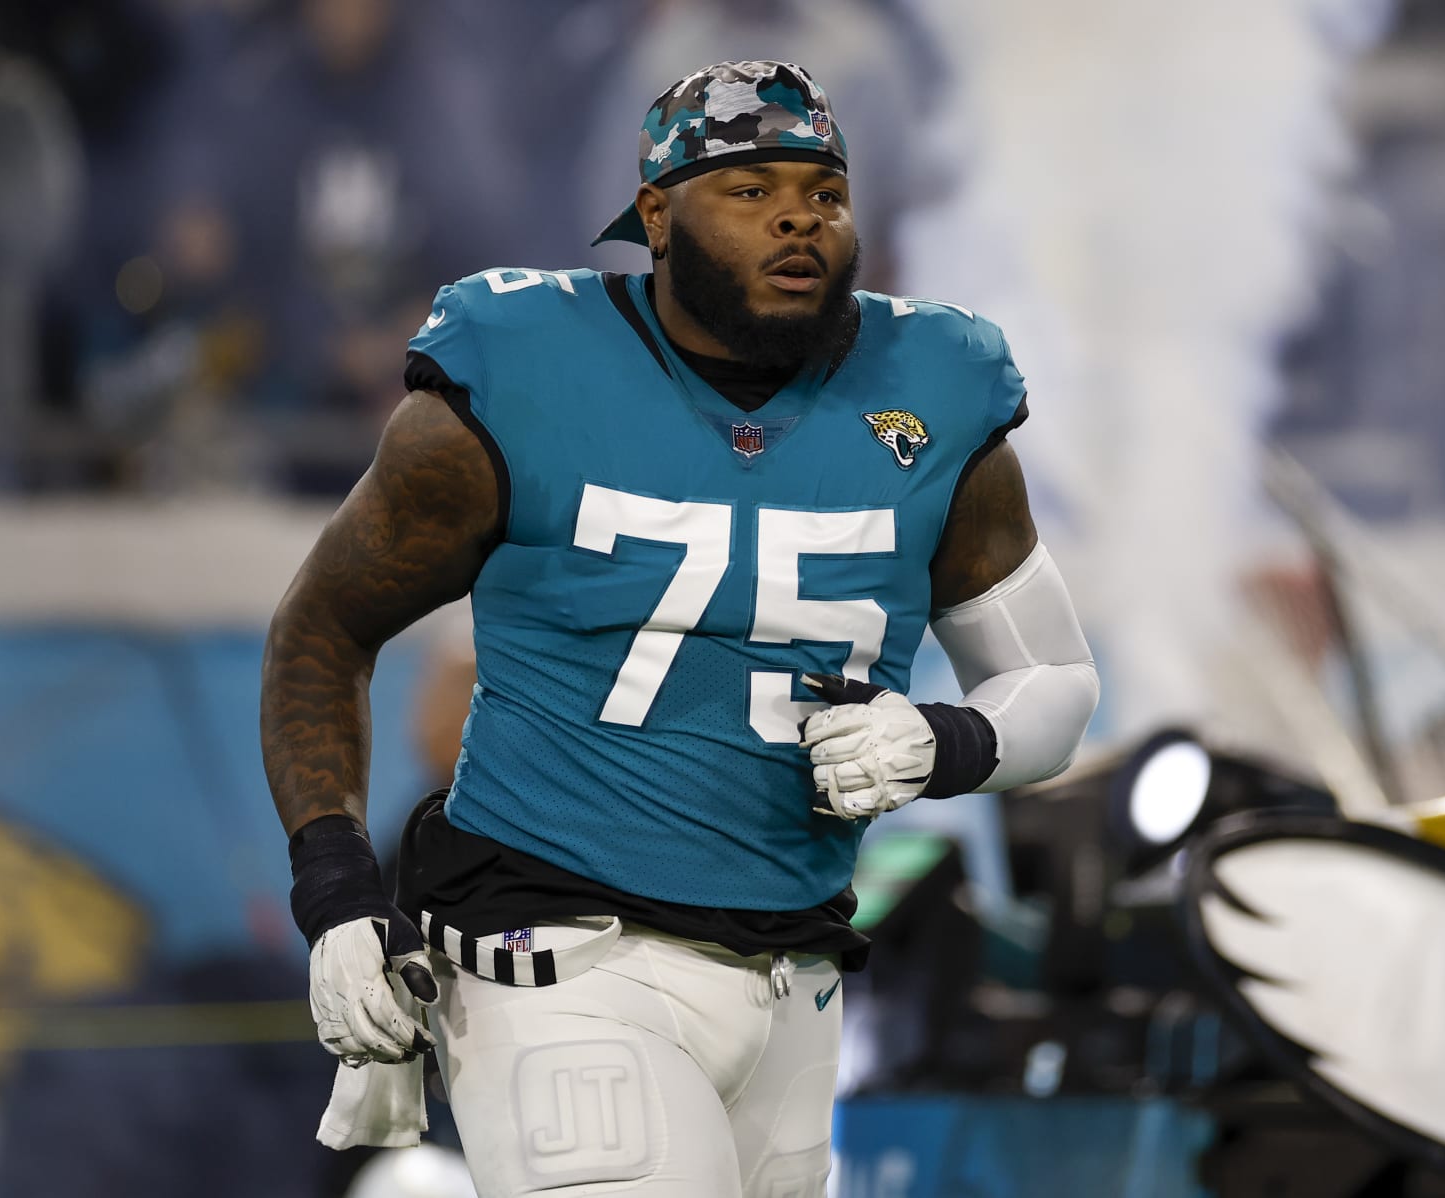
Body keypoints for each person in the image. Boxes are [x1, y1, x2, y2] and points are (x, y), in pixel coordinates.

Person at [261, 61, 1099, 1197]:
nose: (799, 213)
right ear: (656, 215)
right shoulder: (525, 367)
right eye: (750, 189)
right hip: (558, 957)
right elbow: (322, 630)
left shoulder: (932, 390)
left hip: (795, 976)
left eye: (822, 190)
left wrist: (943, 742)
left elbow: (1053, 680)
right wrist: (340, 895)